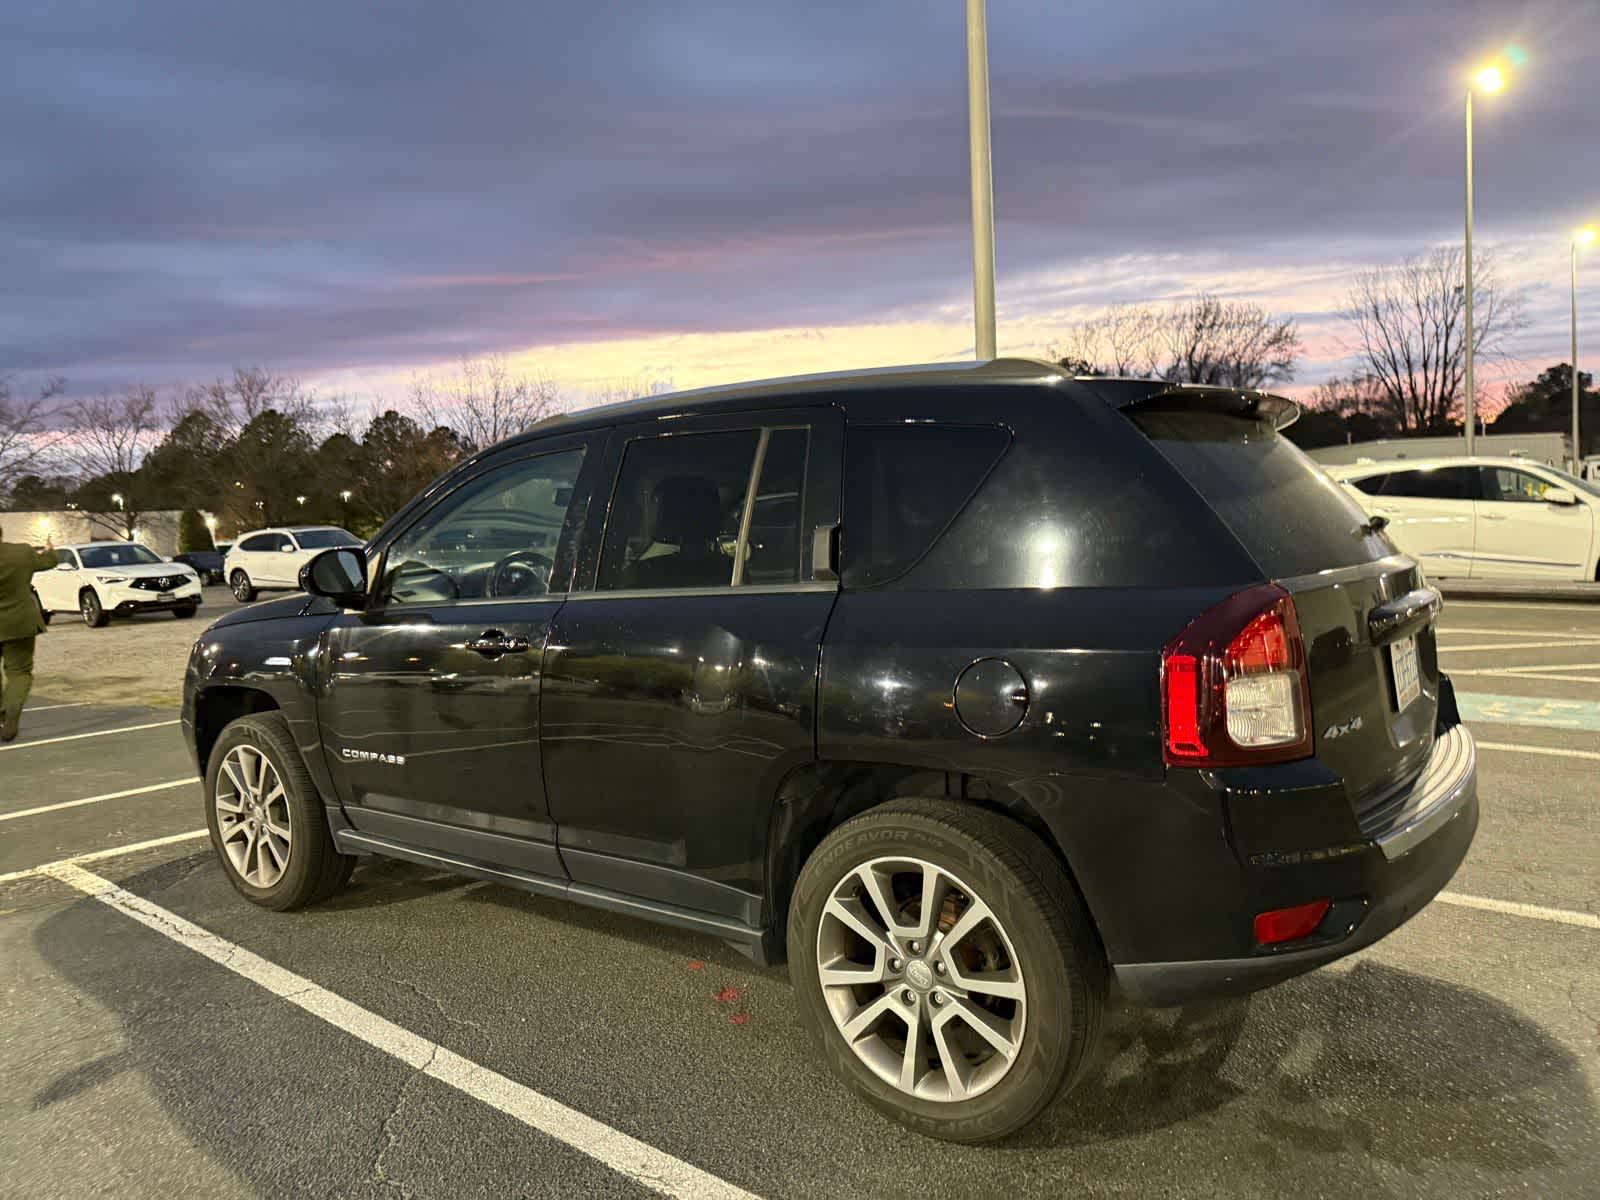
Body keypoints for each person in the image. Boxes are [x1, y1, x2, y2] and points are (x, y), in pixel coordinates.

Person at [0, 523, 57, 743]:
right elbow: (49, 562)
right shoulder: (22, 552)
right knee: (19, 673)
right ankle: (12, 710)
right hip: (19, 623)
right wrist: (50, 550)